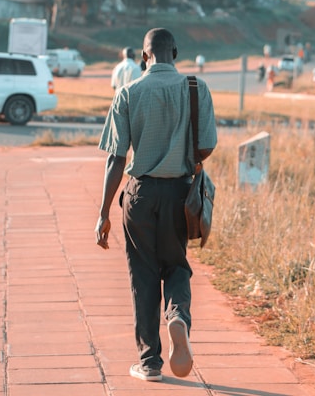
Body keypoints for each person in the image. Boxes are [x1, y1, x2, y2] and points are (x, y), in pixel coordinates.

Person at [95, 27, 217, 382]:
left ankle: (149, 363)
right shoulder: (197, 89)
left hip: (140, 196)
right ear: (175, 52)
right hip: (180, 194)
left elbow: (116, 158)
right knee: (177, 267)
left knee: (144, 277)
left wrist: (103, 213)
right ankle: (177, 317)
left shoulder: (128, 92)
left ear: (144, 56)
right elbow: (207, 145)